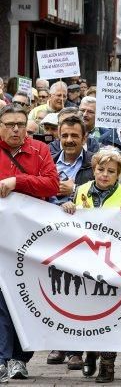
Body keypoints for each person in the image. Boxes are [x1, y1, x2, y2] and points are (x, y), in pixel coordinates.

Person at [57, 148, 121, 383]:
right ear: (93, 169)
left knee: (110, 316)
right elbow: (66, 218)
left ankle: (108, 364)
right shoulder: (80, 191)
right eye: (101, 169)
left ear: (119, 174)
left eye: (111, 171)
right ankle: (90, 351)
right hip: (84, 263)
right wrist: (67, 207)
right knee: (87, 313)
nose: (104, 175)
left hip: (112, 264)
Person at [0, 104, 59, 381]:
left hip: (30, 240)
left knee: (24, 297)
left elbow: (51, 185)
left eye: (20, 125)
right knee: (2, 298)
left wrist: (16, 181)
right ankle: (3, 358)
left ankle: (19, 358)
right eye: (9, 124)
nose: (15, 129)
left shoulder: (39, 151)